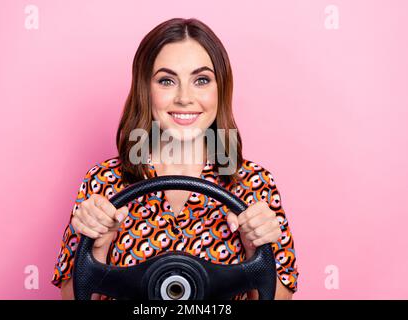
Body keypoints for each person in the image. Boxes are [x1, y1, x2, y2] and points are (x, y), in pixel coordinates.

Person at [51, 17, 298, 300]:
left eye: (201, 80)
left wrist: (255, 249)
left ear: (221, 88)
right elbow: (72, 296)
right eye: (167, 80)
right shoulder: (104, 181)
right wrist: (98, 247)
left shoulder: (255, 184)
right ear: (146, 89)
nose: (184, 98)